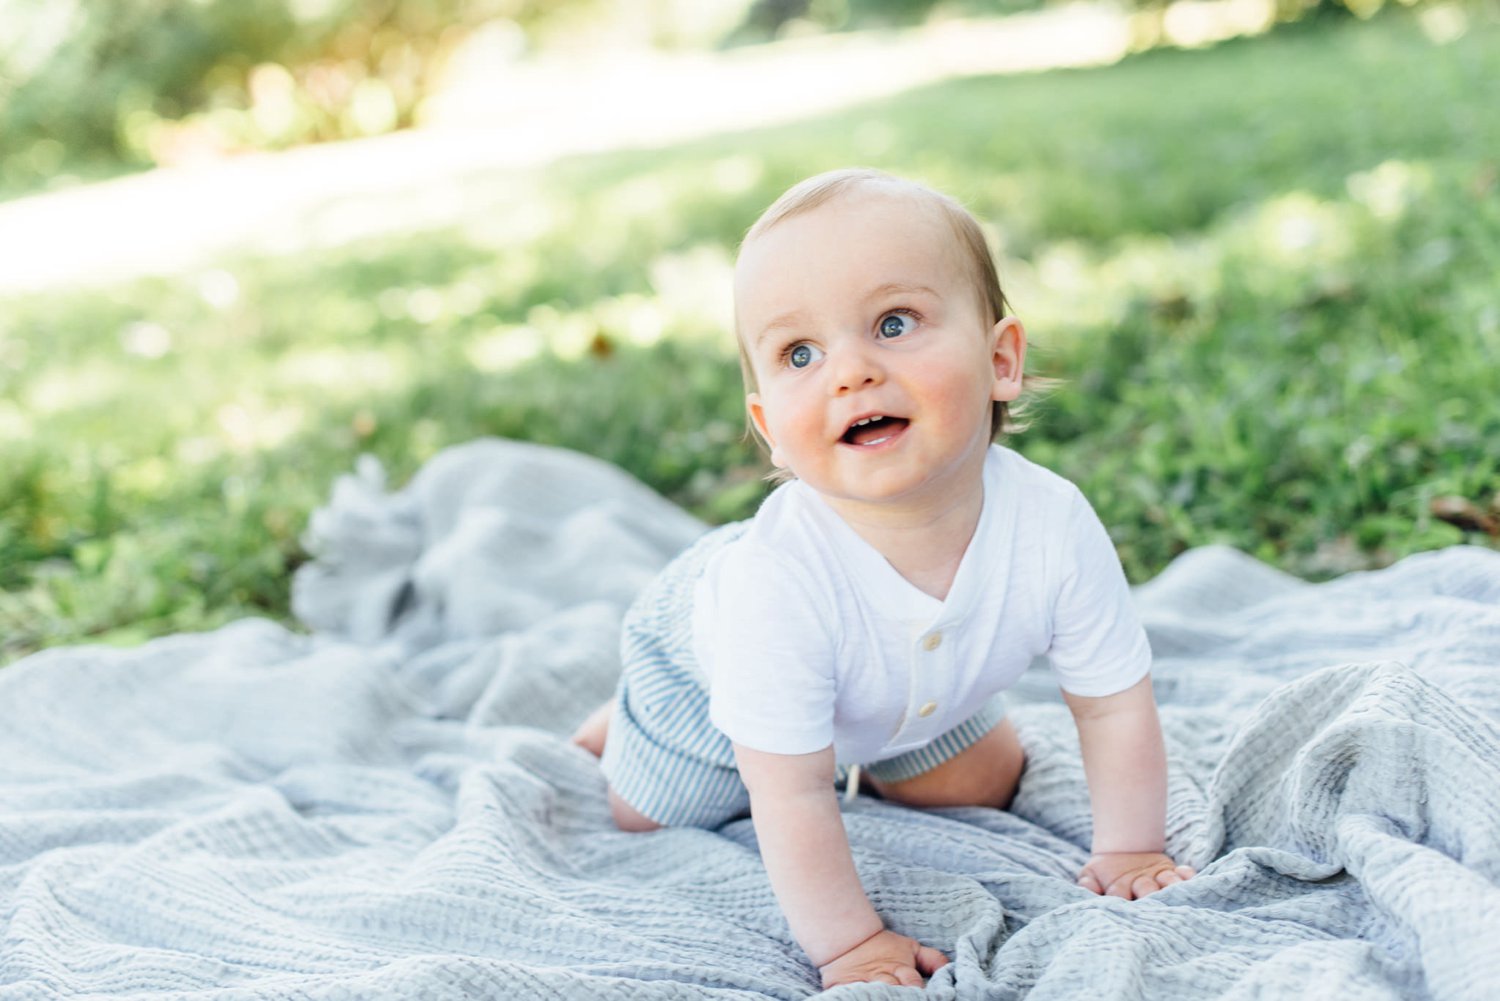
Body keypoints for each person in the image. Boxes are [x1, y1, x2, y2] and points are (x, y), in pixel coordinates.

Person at [573, 167, 1194, 989]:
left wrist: (1130, 848)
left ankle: (882, 745)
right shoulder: (776, 588)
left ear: (1001, 357)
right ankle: (618, 723)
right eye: (799, 353)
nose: (850, 371)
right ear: (770, 431)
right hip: (701, 678)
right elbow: (793, 797)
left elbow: (1113, 702)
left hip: (900, 685)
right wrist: (853, 944)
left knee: (987, 782)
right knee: (651, 813)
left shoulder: (1052, 523)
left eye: (893, 322)